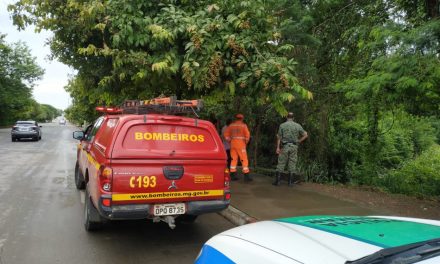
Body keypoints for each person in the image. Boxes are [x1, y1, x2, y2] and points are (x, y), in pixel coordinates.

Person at [273, 112, 308, 186]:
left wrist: (278, 148)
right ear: (293, 118)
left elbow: (279, 137)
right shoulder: (297, 125)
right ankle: (290, 183)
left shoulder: (282, 125)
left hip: (285, 146)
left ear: (286, 117)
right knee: (292, 163)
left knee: (281, 163)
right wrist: (299, 141)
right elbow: (305, 135)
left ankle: (278, 182)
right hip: (294, 146)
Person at [224, 114, 251, 182]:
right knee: (244, 159)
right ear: (242, 118)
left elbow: (226, 134)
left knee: (233, 159)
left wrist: (229, 140)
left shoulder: (231, 125)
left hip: (233, 144)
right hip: (241, 145)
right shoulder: (243, 126)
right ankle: (246, 176)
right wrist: (246, 142)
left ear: (236, 118)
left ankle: (232, 175)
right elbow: (247, 136)